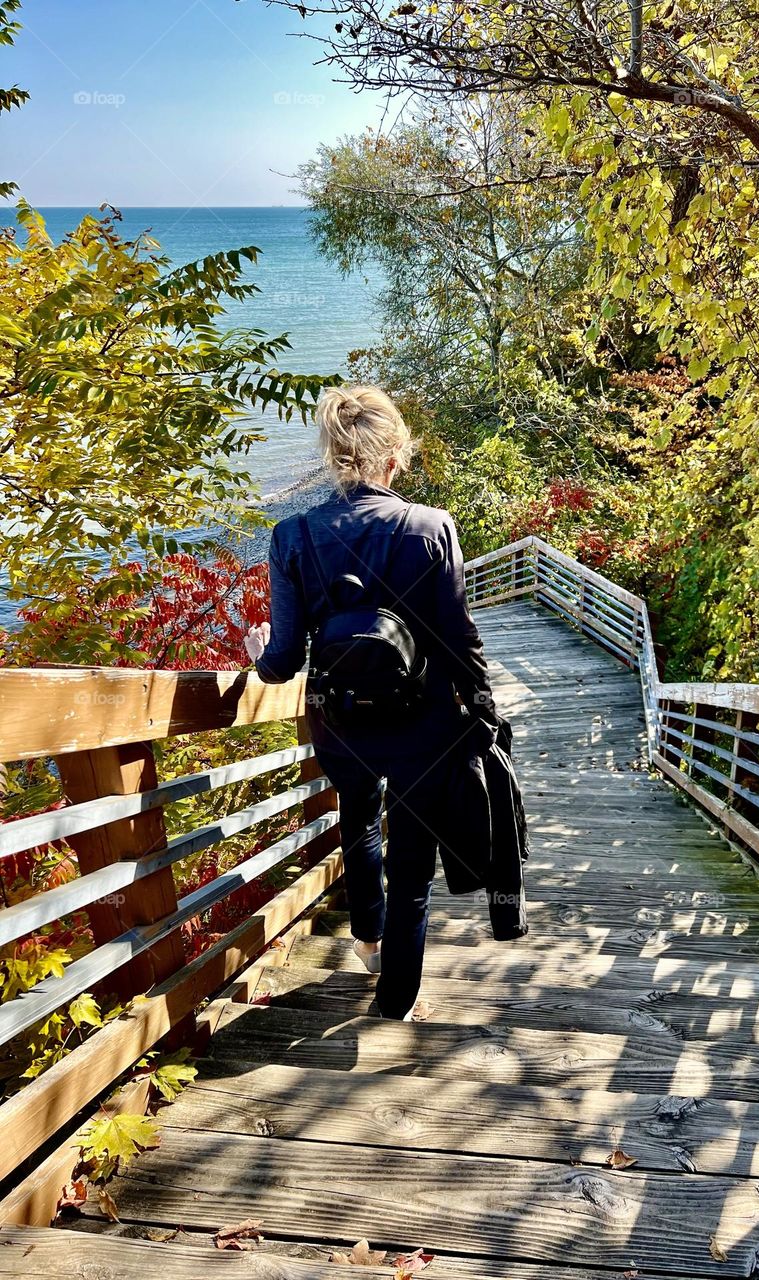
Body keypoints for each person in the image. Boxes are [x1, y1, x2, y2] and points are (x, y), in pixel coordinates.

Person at [243, 385, 498, 1020]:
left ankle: (367, 940)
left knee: (357, 820)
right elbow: (457, 635)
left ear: (334, 457)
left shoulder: (293, 535)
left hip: (342, 725)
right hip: (423, 727)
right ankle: (395, 1002)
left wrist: (257, 649)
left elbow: (281, 663)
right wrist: (486, 711)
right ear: (395, 455)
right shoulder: (431, 527)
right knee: (413, 861)